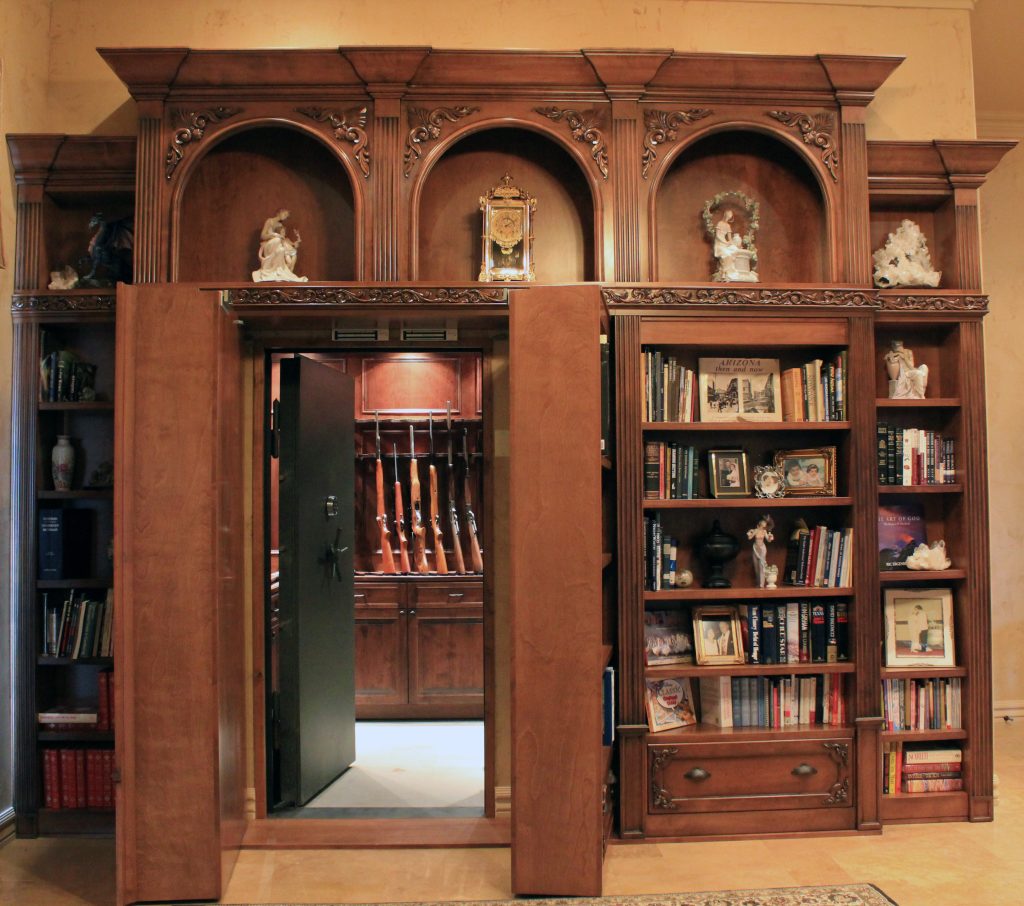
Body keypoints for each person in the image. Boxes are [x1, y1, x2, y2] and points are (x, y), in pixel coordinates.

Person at [252, 209, 308, 282]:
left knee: (286, 251)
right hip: (268, 245)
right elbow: (262, 236)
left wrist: (293, 244)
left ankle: (282, 271)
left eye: (286, 216)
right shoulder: (270, 221)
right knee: (278, 240)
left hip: (278, 244)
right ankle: (273, 269)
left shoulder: (280, 225)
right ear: (279, 213)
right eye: (285, 214)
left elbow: (283, 238)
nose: (285, 217)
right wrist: (274, 235)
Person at [747, 516, 775, 588]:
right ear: (760, 523)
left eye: (765, 524)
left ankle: (761, 584)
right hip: (755, 549)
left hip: (762, 549)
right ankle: (758, 583)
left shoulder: (764, 531)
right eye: (763, 523)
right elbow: (750, 538)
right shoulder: (756, 530)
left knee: (762, 566)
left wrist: (770, 537)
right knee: (756, 567)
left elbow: (768, 540)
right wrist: (749, 533)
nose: (764, 525)